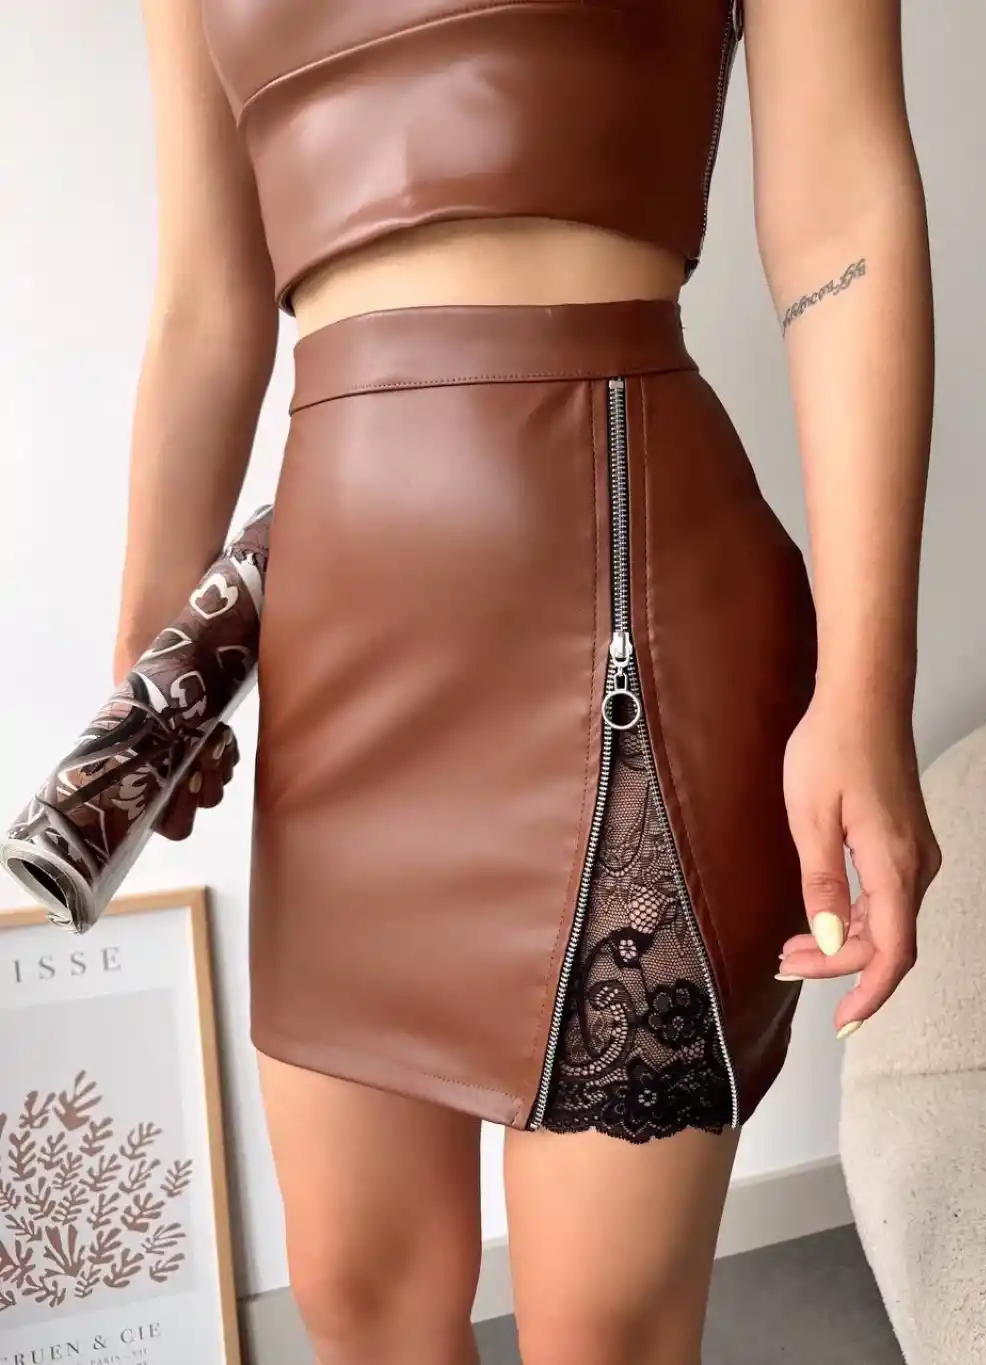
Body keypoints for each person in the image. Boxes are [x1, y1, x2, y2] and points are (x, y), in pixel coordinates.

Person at [115, 1, 942, 1362]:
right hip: (345, 658)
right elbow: (208, 299)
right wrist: (144, 682)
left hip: (632, 630)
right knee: (360, 1295)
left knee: (603, 1331)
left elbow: (843, 213)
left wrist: (866, 686)